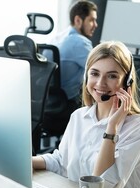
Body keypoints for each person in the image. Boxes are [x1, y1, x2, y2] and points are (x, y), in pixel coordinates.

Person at [32, 41, 140, 188]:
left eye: (112, 76)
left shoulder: (139, 128)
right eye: (95, 73)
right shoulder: (79, 117)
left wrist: (111, 127)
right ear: (86, 77)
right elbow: (63, 162)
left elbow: (102, 186)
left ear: (127, 82)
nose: (100, 83)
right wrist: (26, 161)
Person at [42, 0, 99, 134]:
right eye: (91, 20)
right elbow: (100, 70)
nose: (95, 25)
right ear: (78, 20)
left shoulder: (56, 38)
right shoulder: (80, 42)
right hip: (66, 108)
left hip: (47, 107)